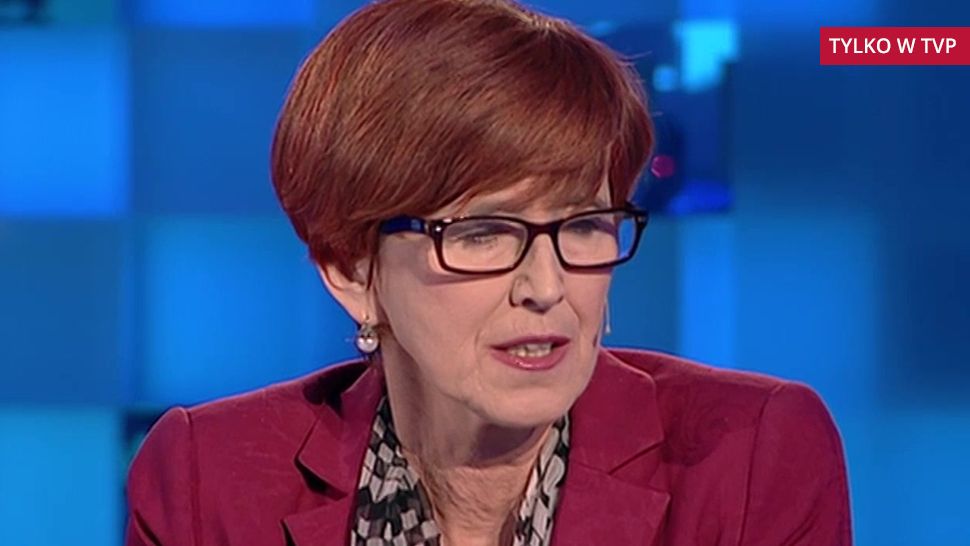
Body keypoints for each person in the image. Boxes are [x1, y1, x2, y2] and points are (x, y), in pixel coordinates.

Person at [124, 0, 852, 544]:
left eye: (584, 226)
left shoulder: (750, 458)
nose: (547, 288)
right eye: (482, 234)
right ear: (351, 268)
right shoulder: (208, 481)